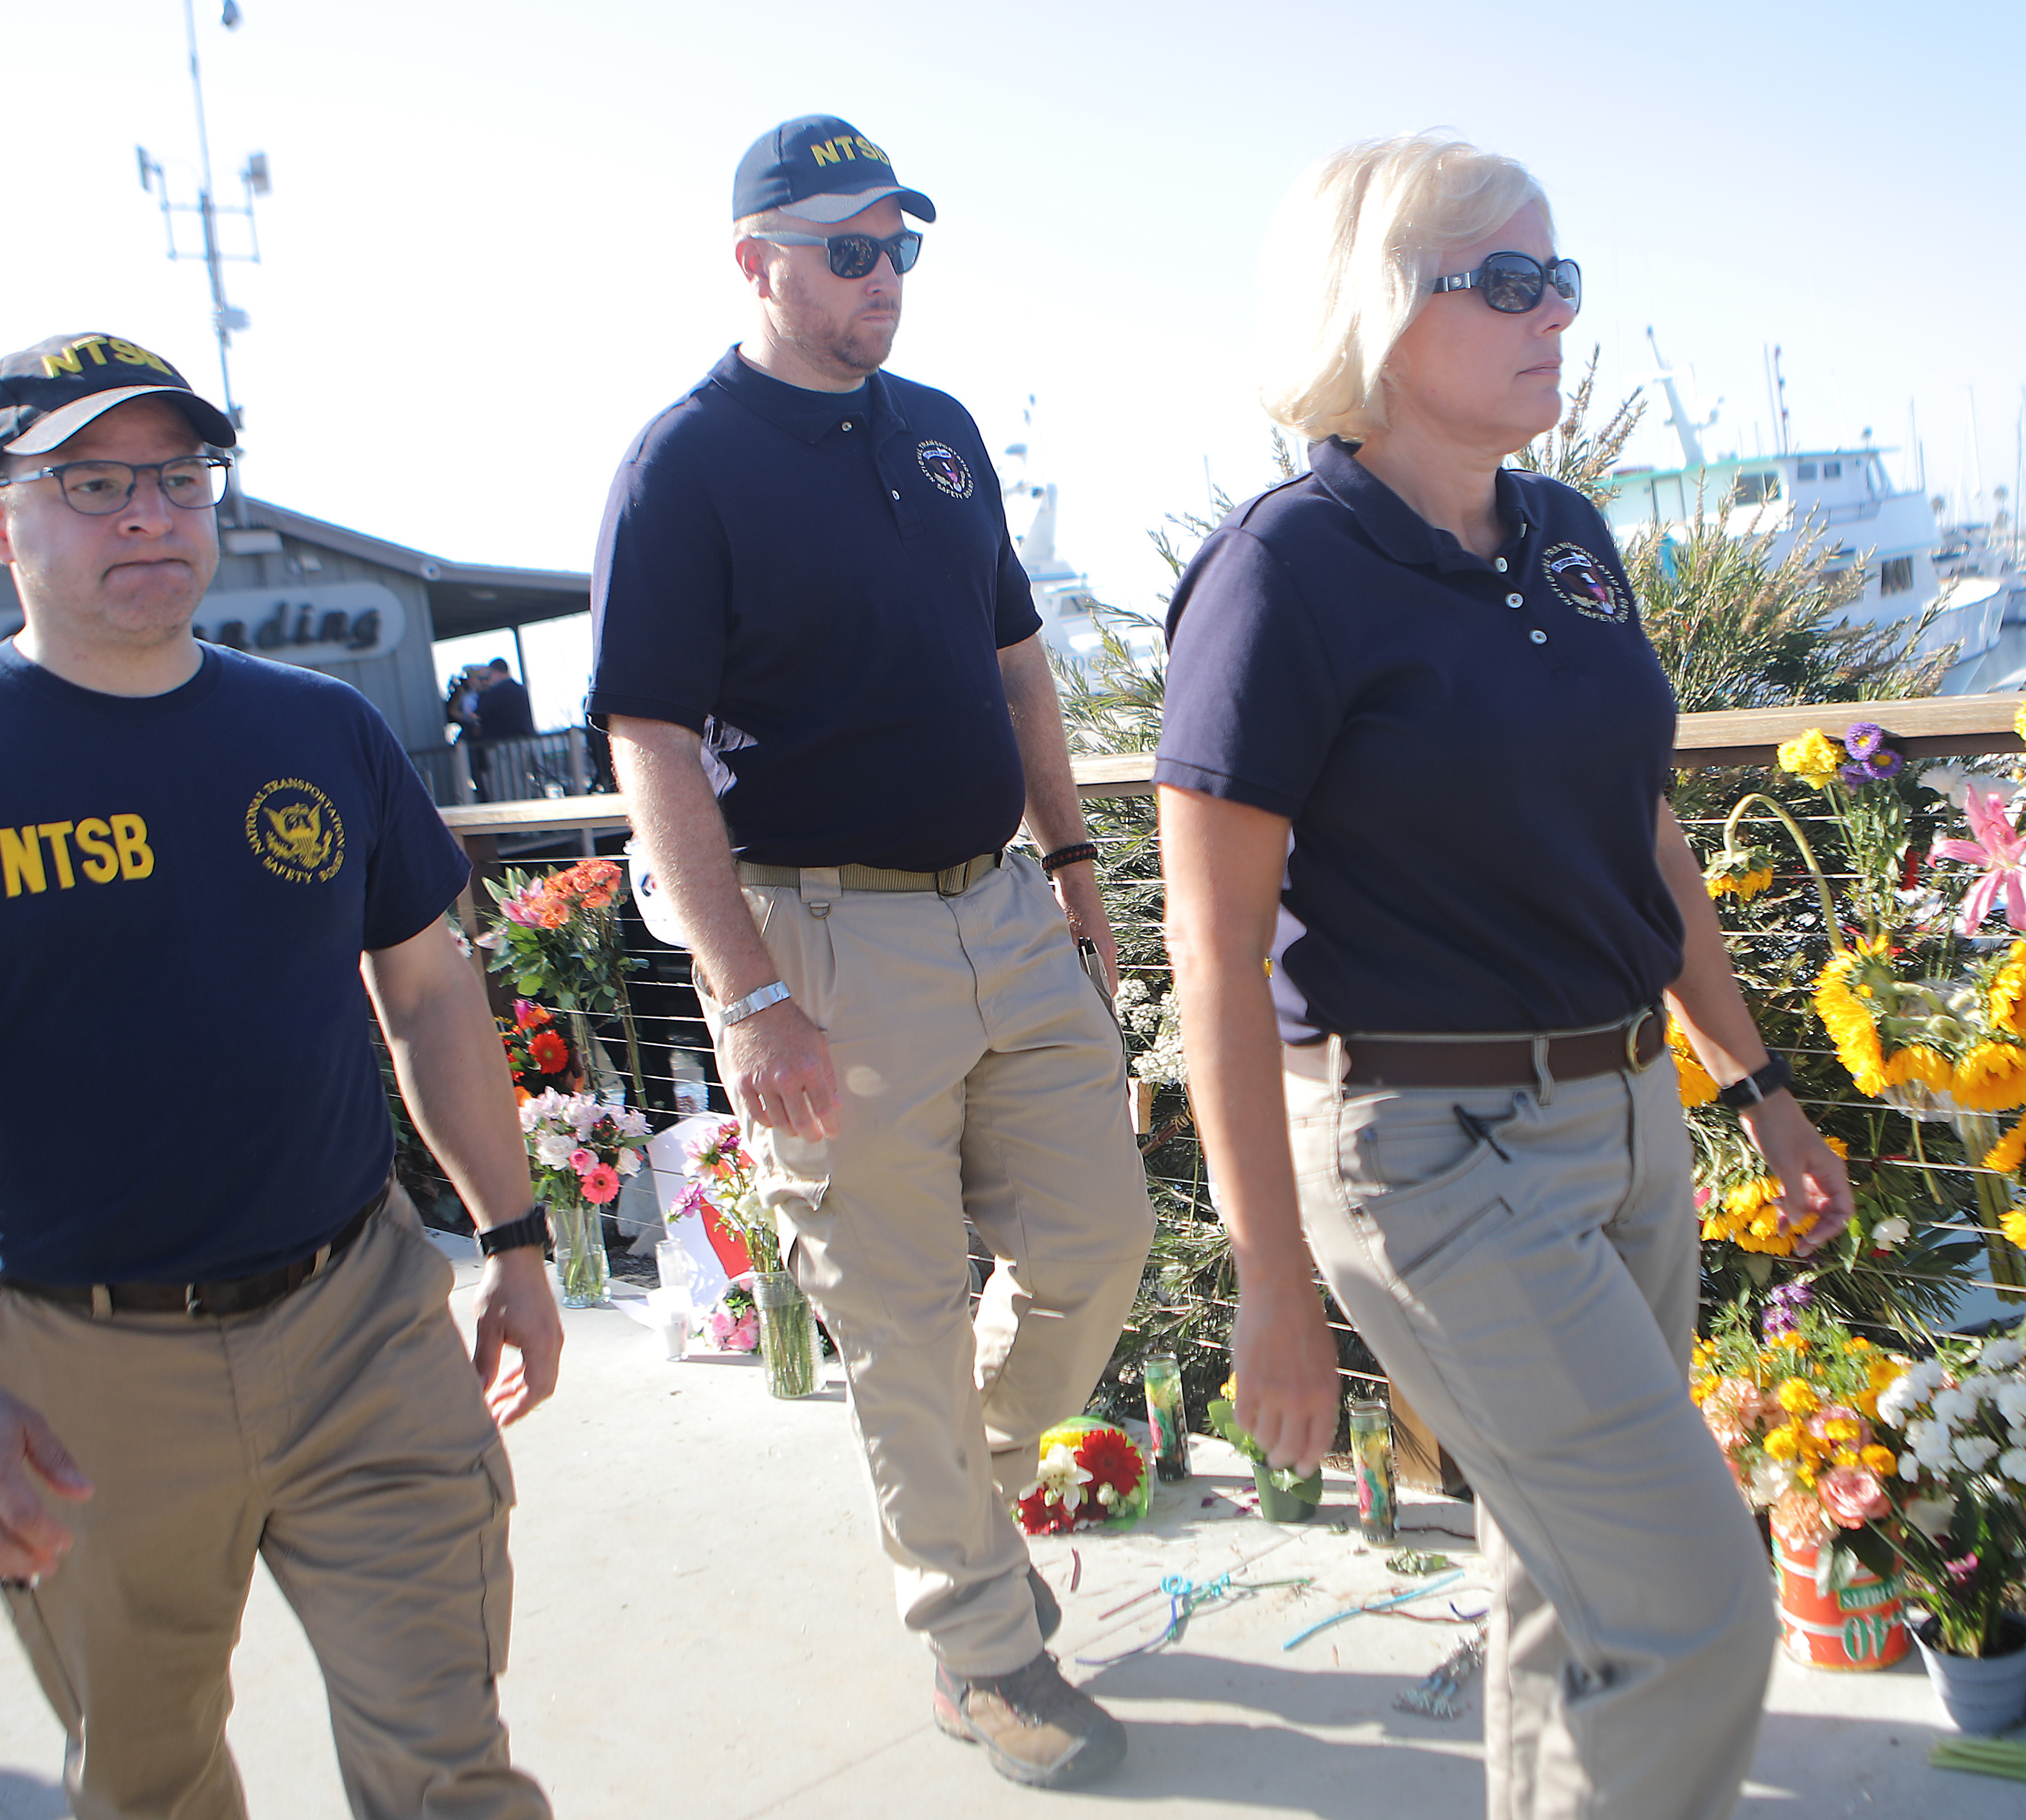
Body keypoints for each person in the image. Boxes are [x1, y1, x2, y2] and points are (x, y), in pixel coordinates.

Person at [0, 332, 561, 1820]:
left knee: (451, 1766)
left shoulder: (319, 731)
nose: (149, 515)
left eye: (180, 479)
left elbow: (430, 990)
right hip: (68, 1367)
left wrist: (511, 1238)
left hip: (358, 1319)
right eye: (95, 482)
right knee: (149, 1780)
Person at [1155, 134, 1854, 1820]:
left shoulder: (1566, 535)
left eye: (1564, 280)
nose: (1558, 316)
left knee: (1568, 1579)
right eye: (1512, 284)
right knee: (1692, 1606)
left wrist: (1751, 1088)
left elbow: (1644, 834)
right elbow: (1216, 955)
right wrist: (1268, 1279)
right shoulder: (1283, 575)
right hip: (1433, 1156)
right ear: (1382, 314)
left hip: (1625, 1125)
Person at [588, 116, 1156, 1791]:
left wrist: (1072, 865)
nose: (880, 277)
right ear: (754, 260)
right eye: (845, 250)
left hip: (1005, 907)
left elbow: (1022, 668)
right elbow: (651, 744)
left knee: (1098, 1239)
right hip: (818, 941)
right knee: (896, 1319)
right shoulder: (682, 461)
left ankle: (966, 1502)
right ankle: (983, 1651)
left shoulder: (941, 434)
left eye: (897, 245)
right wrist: (746, 992)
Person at [472, 660, 537, 740]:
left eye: (488, 676)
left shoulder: (498, 692)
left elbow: (480, 714)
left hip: (505, 744)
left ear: (495, 672)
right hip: (525, 739)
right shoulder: (521, 689)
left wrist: (481, 691)